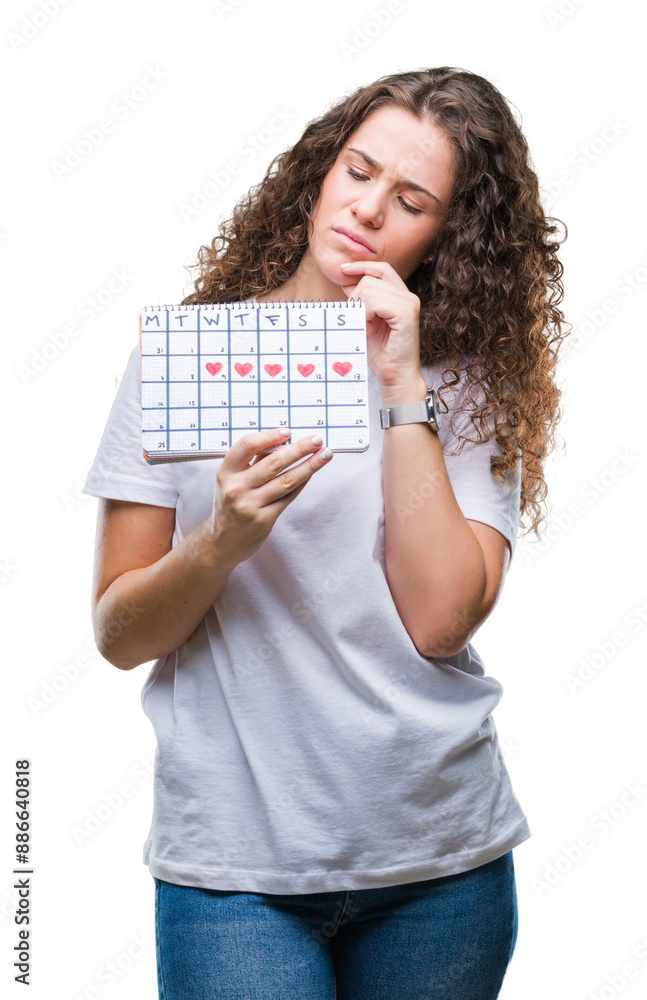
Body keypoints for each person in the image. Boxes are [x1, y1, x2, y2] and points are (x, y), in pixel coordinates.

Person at [83, 67, 569, 1000]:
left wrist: (399, 384)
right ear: (319, 168)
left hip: (438, 865)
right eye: (357, 170)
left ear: (448, 235)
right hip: (233, 871)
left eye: (411, 199)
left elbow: (439, 623)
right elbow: (118, 634)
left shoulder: (463, 388)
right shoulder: (185, 358)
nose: (368, 209)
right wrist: (220, 541)